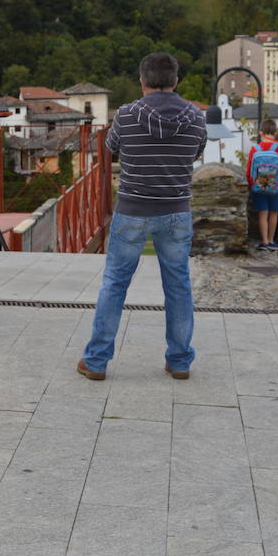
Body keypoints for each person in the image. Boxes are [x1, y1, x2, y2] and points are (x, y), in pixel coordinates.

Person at [77, 52, 207, 382]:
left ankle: (96, 361)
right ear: (176, 80)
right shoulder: (196, 117)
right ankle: (179, 361)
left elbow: (111, 146)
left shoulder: (126, 114)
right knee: (178, 286)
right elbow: (195, 153)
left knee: (115, 285)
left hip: (133, 210)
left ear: (142, 81)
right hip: (177, 211)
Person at [247, 119, 278, 251]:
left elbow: (249, 171)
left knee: (262, 214)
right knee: (273, 214)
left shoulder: (255, 149)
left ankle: (264, 242)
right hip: (276, 186)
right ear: (275, 132)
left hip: (259, 187)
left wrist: (252, 184)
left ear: (261, 132)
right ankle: (271, 241)